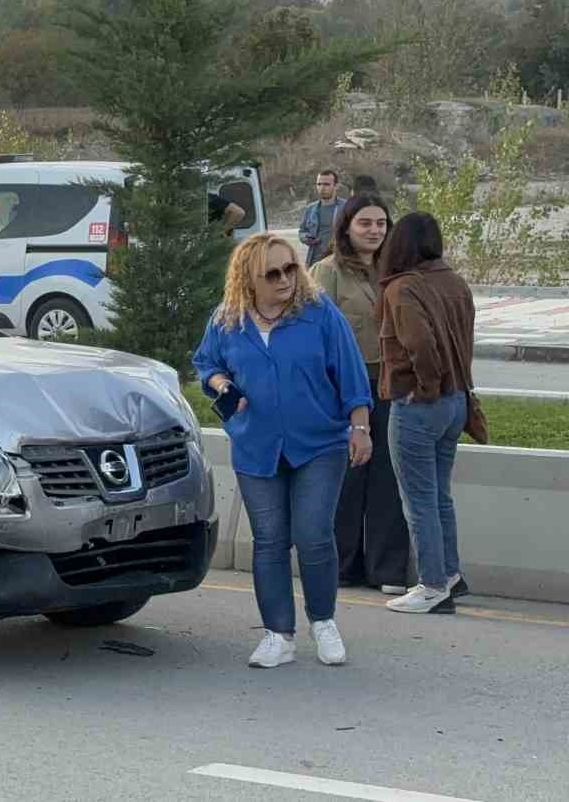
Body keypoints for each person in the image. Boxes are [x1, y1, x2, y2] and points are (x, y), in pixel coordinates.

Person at [193, 233, 372, 668]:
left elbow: (350, 372)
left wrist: (360, 426)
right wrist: (221, 385)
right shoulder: (227, 319)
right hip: (257, 447)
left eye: (290, 268)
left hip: (319, 444)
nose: (285, 279)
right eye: (271, 273)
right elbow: (206, 363)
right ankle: (278, 634)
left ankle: (324, 622)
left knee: (312, 536)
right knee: (269, 542)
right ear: (248, 279)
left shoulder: (318, 313)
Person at [378, 212, 478, 615]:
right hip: (456, 402)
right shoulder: (455, 281)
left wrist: (426, 389)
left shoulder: (401, 288)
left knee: (417, 500)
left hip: (420, 404)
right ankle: (450, 574)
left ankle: (432, 585)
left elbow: (419, 343)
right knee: (439, 496)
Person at [312, 196, 411, 596]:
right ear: (347, 227)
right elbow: (314, 333)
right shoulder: (327, 271)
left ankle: (387, 569)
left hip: (391, 383)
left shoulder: (397, 272)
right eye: (365, 223)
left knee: (390, 474)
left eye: (381, 224)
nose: (374, 231)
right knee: (348, 474)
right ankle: (340, 564)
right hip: (344, 387)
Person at [299, 170, 344, 267]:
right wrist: (306, 238)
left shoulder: (346, 207)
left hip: (339, 261)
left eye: (326, 184)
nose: (322, 188)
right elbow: (302, 231)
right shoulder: (310, 209)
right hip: (314, 262)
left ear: (336, 186)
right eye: (319, 184)